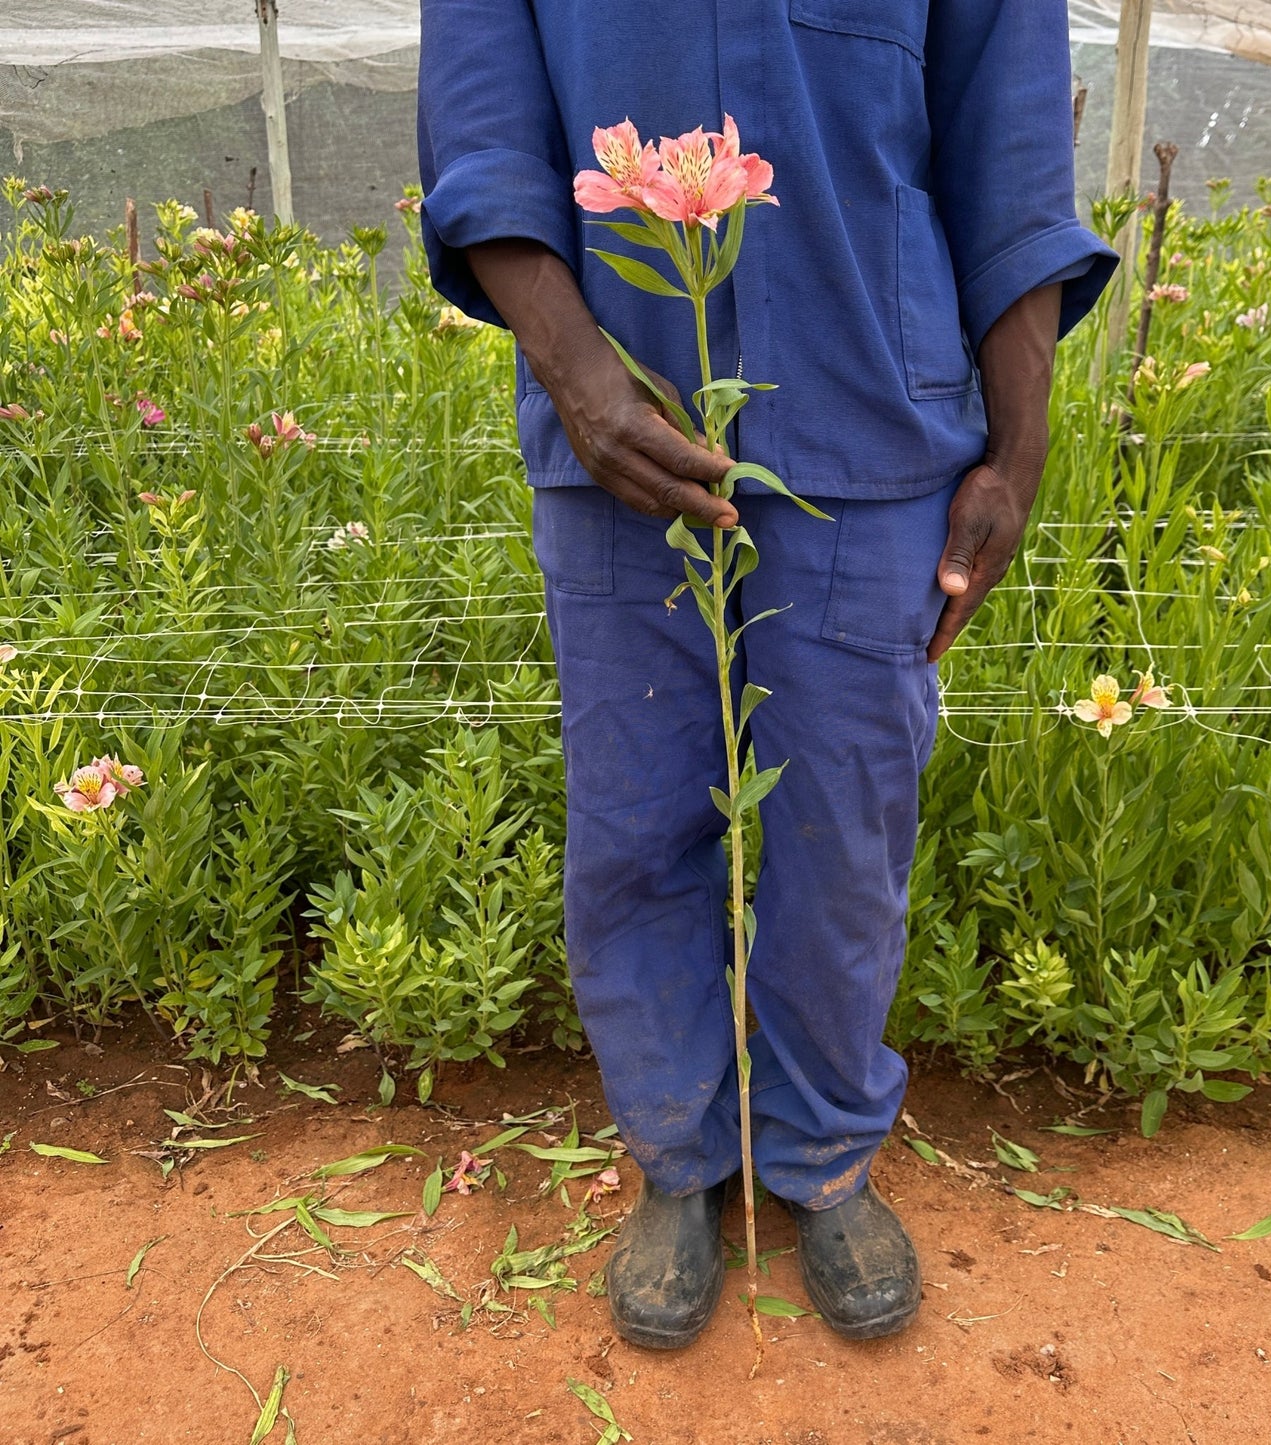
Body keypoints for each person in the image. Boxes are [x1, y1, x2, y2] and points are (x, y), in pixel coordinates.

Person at [417, 0, 1117, 1348]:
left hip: (877, 414)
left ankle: (822, 1151)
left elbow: (1009, 145)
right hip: (622, 425)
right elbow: (486, 133)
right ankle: (680, 1152)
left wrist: (1014, 451)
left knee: (843, 820)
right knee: (636, 816)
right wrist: (582, 384)